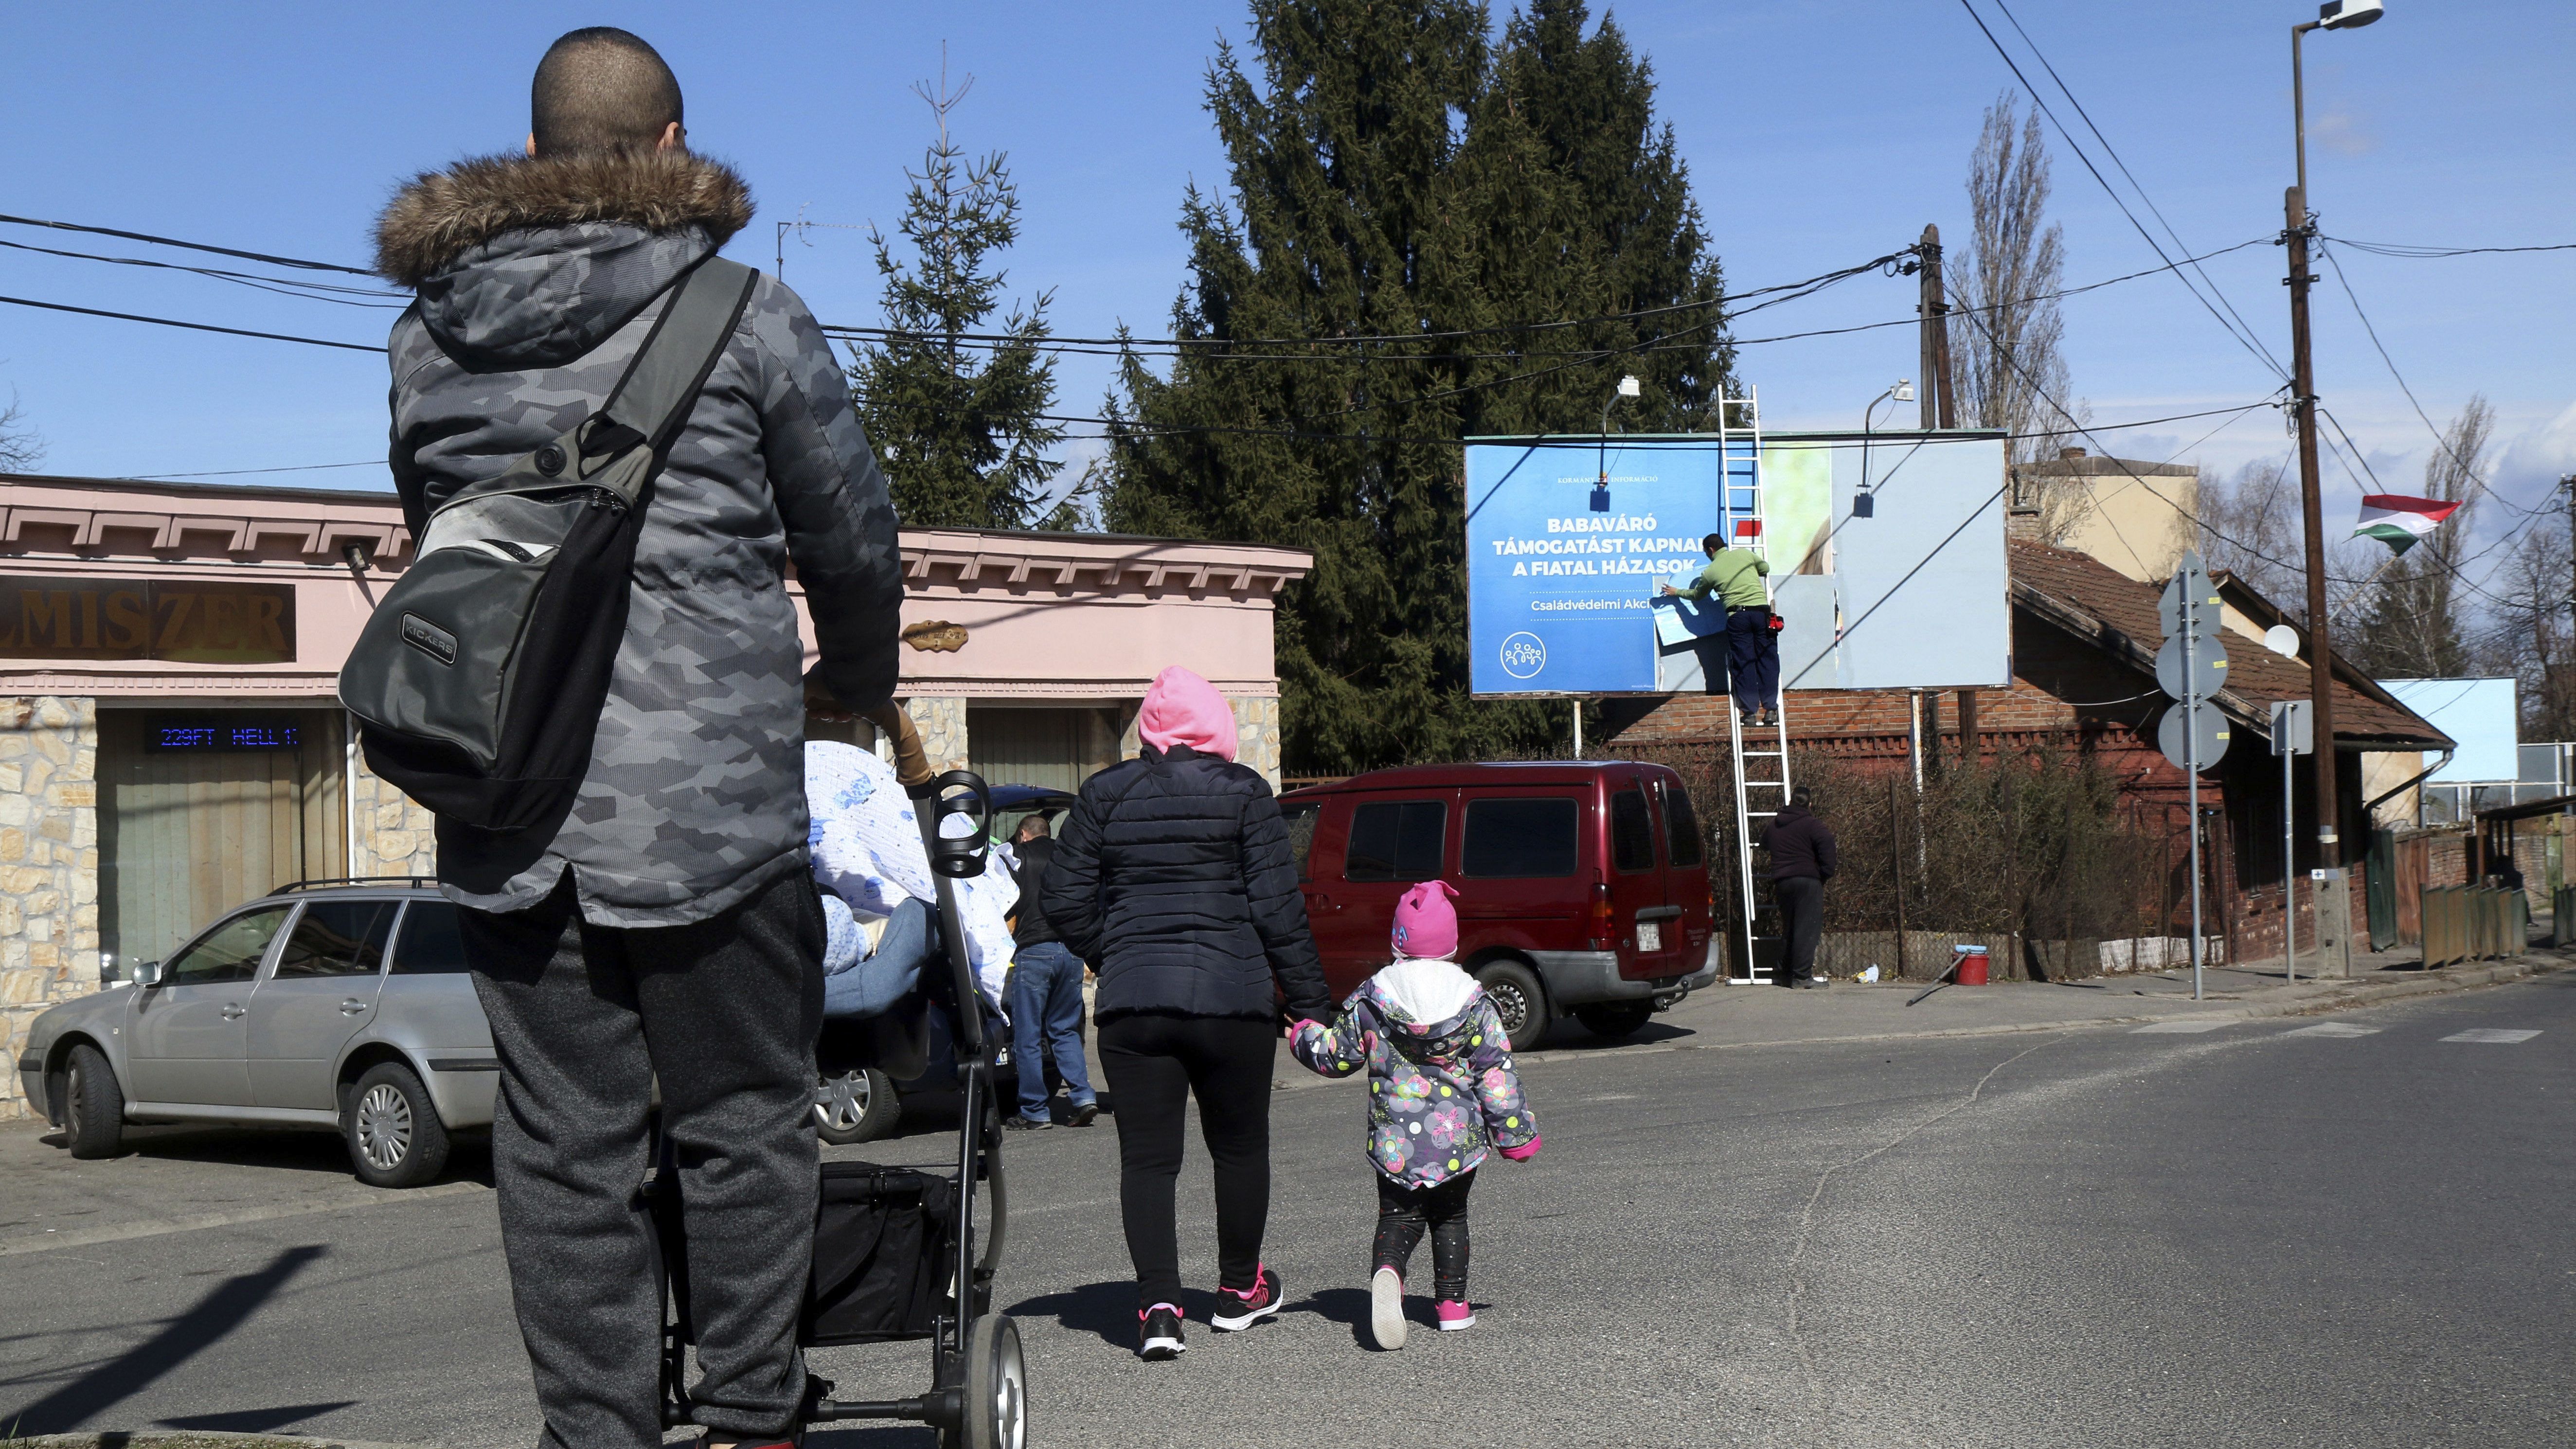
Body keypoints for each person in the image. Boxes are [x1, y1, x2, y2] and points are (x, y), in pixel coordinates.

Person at [379, 29, 901, 1449]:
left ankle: (597, 1435)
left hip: (504, 808)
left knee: (559, 1152)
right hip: (713, 816)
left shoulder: (426, 339)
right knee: (742, 1121)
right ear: (671, 149)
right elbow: (851, 539)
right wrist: (856, 672)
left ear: (536, 154)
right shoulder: (744, 313)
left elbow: (441, 541)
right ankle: (748, 1417)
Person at [1040, 665, 1331, 1361]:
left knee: (1147, 1158)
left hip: (1134, 1006)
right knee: (1238, 1146)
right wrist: (1312, 1006)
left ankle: (1160, 1305)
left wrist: (1115, 952)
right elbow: (1277, 909)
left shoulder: (1105, 793)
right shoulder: (1245, 795)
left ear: (1149, 729)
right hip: (1233, 1001)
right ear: (1217, 727)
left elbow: (1063, 896)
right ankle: (1239, 1290)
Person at [1288, 880, 1539, 1352]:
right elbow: (1495, 1074)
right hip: (1456, 1142)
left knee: (1399, 1217)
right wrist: (1514, 1135)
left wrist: (1303, 1034)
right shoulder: (1474, 1005)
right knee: (1450, 1216)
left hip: (1395, 1141)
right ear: (1451, 944)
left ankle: (1388, 1272)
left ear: (1396, 943)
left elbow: (1335, 1056)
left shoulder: (1373, 1001)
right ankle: (1452, 1308)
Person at [1005, 814, 1098, 1129]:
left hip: (1034, 951)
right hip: (1070, 950)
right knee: (1065, 1028)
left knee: (1028, 1035)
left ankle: (1035, 1110)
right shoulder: (1067, 855)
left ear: (1023, 835)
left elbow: (1001, 901)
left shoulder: (1018, 856)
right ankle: (1084, 1097)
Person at [1660, 532, 1779, 727]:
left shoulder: (1710, 572)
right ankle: (1771, 709)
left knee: (1744, 664)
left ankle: (1750, 713)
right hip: (1761, 614)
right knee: (1768, 661)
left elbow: (1697, 595)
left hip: (1737, 618)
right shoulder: (1745, 554)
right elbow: (1765, 568)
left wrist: (1676, 593)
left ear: (1710, 550)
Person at [1761, 786, 1837, 988]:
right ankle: (1802, 976)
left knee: (1791, 927)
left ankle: (1784, 972)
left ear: (1791, 801)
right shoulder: (1813, 825)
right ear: (1810, 804)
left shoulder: (1775, 825)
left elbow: (1764, 844)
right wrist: (1824, 874)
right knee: (1807, 929)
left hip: (1783, 882)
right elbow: (1828, 846)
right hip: (1807, 881)